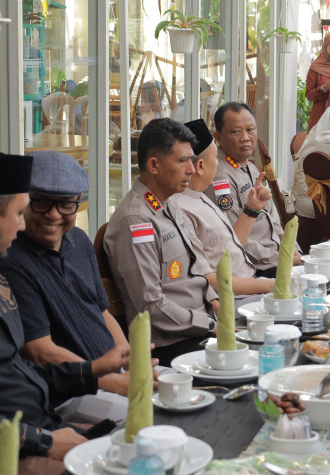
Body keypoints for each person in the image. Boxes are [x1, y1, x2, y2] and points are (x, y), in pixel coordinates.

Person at [0, 150, 128, 475]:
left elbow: (20, 370)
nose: (23, 225)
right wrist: (44, 441)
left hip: (39, 426)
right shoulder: (6, 267)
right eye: (20, 212)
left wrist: (93, 370)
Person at [0, 151, 140, 425]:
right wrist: (112, 381)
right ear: (24, 201)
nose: (53, 214)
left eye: (65, 204)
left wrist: (129, 361)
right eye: (41, 202)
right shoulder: (11, 259)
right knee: (154, 421)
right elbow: (39, 351)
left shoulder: (79, 240)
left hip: (111, 377)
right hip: (69, 394)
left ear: (78, 202)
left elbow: (102, 311)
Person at [104, 118, 218, 367]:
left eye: (192, 159)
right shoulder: (136, 221)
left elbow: (194, 270)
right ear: (154, 165)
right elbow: (151, 305)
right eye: (183, 161)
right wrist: (210, 325)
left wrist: (217, 306)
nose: (192, 169)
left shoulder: (169, 202)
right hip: (170, 345)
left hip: (200, 328)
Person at [171, 120, 274, 301]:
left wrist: (252, 209)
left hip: (250, 285)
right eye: (215, 158)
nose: (218, 164)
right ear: (200, 166)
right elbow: (209, 280)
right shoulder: (179, 208)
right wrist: (272, 285)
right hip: (233, 299)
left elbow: (231, 245)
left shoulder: (199, 195)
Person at [208, 102, 300, 277]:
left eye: (250, 130)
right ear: (218, 137)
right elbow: (234, 237)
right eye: (236, 132)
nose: (245, 137)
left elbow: (269, 218)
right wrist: (282, 258)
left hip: (277, 256)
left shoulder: (249, 167)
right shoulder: (220, 178)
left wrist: (292, 247)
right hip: (257, 268)